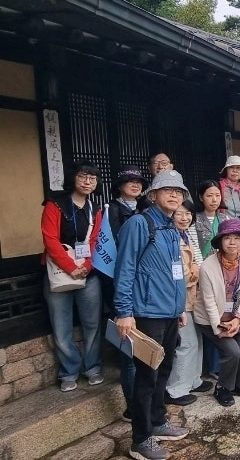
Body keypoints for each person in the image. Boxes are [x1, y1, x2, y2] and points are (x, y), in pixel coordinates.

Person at [114, 170, 191, 460]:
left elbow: (175, 274)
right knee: (146, 376)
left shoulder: (172, 228)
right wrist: (123, 311)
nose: (174, 195)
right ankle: (140, 439)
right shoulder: (139, 223)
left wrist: (179, 307)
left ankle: (158, 421)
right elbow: (125, 270)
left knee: (165, 370)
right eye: (168, 190)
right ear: (153, 195)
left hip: (169, 313)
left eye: (179, 192)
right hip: (145, 314)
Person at [41, 160, 104, 392]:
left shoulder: (96, 209)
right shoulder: (54, 205)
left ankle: (93, 367)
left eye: (92, 178)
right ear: (73, 178)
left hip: (88, 273)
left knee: (92, 324)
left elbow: (96, 241)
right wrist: (70, 266)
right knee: (61, 326)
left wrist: (86, 266)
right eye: (83, 176)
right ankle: (69, 371)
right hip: (59, 273)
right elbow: (50, 240)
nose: (88, 182)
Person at [100, 165, 147, 418]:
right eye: (130, 181)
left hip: (143, 284)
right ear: (119, 186)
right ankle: (132, 406)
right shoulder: (110, 211)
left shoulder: (143, 210)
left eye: (138, 181)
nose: (135, 185)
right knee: (129, 350)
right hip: (121, 282)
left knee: (144, 348)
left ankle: (146, 401)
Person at [194, 219, 240, 407]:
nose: (232, 242)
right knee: (232, 351)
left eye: (237, 238)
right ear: (220, 241)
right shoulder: (207, 266)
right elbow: (208, 301)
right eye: (227, 238)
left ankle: (237, 384)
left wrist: (238, 319)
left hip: (236, 315)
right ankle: (222, 387)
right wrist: (219, 327)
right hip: (210, 318)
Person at [164, 201, 212, 406]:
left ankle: (193, 379)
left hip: (193, 297)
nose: (185, 218)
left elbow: (196, 265)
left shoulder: (186, 235)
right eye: (179, 214)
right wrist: (193, 274)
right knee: (186, 342)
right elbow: (175, 272)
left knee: (197, 340)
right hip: (179, 298)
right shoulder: (169, 238)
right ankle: (175, 389)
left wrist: (195, 273)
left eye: (188, 214)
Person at [193, 180, 224, 382]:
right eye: (209, 195)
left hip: (224, 273)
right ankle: (209, 365)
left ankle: (220, 362)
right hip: (202, 273)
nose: (214, 199)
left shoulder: (226, 218)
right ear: (201, 198)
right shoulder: (194, 220)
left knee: (221, 316)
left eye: (217, 195)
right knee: (207, 318)